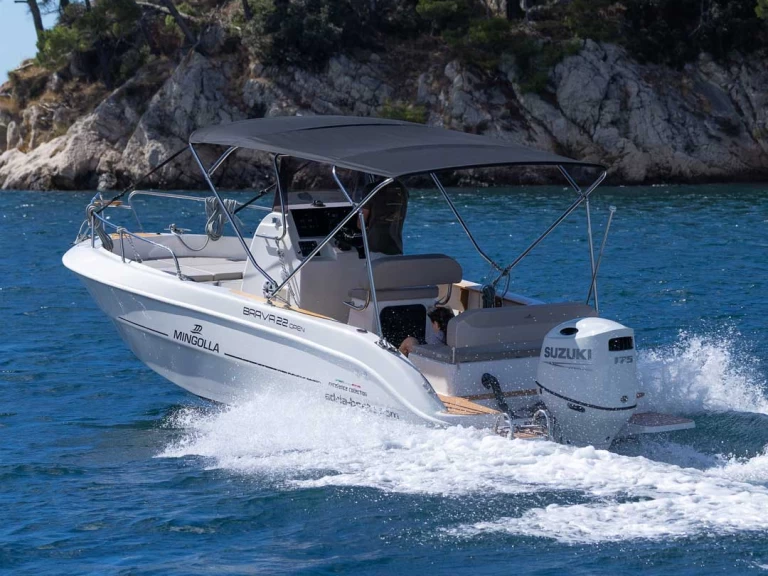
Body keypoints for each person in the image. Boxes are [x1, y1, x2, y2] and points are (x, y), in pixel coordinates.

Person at [358, 180, 408, 256]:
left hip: (376, 249)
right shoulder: (403, 188)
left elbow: (360, 223)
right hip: (397, 249)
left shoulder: (371, 189)